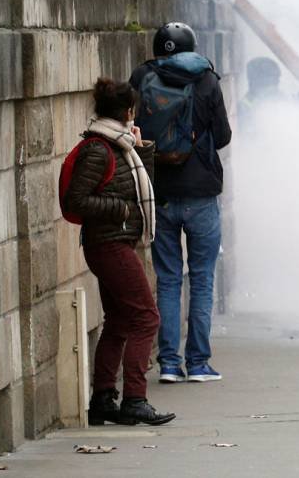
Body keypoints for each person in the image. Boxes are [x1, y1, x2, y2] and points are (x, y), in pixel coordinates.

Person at [62, 78, 175, 426]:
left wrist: (141, 151)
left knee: (120, 321)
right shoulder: (99, 149)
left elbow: (141, 189)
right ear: (127, 111)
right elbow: (76, 200)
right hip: (109, 243)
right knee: (146, 317)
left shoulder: (120, 145)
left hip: (115, 242)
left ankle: (103, 399)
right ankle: (135, 399)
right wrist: (121, 211)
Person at [130, 22, 232, 384]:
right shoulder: (206, 79)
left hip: (160, 192)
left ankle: (170, 364)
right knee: (202, 279)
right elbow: (222, 136)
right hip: (202, 192)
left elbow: (131, 130)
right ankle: (200, 363)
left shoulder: (143, 76)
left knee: (169, 280)